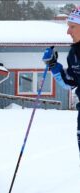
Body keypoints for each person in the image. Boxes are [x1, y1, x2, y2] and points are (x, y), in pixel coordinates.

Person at [42, 7, 80, 160]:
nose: (68, 32)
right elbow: (71, 82)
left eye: (72, 27)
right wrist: (53, 65)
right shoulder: (74, 54)